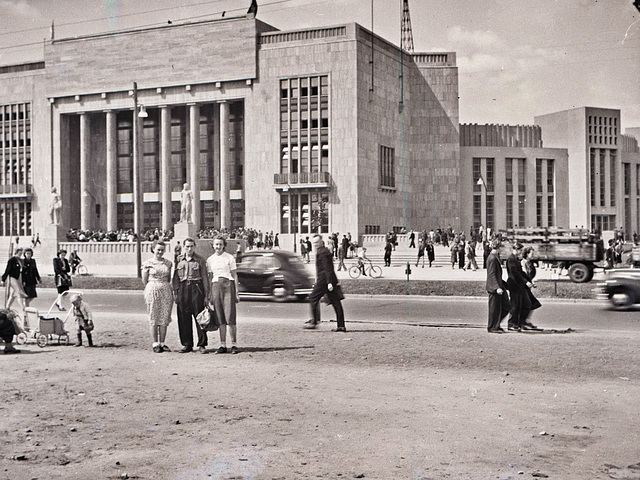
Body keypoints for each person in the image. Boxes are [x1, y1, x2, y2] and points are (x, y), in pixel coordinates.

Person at [172, 237, 210, 353]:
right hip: (183, 289)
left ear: (194, 247)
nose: (189, 249)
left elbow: (204, 278)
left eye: (191, 246)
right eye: (187, 246)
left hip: (196, 288)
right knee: (183, 317)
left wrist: (206, 295)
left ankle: (202, 344)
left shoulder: (200, 260)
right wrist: (176, 292)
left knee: (199, 316)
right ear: (184, 247)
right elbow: (175, 278)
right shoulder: (179, 259)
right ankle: (187, 344)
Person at [303, 235, 346, 332]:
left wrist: (329, 282)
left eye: (316, 243)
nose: (314, 245)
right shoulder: (323, 251)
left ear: (321, 242)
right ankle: (341, 325)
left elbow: (327, 268)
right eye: (314, 243)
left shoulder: (322, 252)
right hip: (327, 280)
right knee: (336, 302)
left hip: (324, 281)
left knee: (313, 297)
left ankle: (314, 322)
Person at [207, 236, 240, 354]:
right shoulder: (210, 259)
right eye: (216, 244)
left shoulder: (229, 257)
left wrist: (236, 292)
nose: (218, 247)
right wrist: (210, 293)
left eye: (220, 244)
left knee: (230, 316)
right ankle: (222, 344)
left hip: (228, 285)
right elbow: (210, 277)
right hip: (216, 286)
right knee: (220, 316)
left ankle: (234, 344)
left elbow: (234, 275)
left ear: (224, 245)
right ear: (213, 245)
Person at [143, 240, 174, 353]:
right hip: (152, 289)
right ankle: (155, 343)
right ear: (153, 250)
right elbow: (144, 279)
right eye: (158, 250)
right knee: (154, 315)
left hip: (166, 289)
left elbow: (169, 277)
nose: (160, 252)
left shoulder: (168, 263)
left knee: (164, 316)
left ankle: (162, 342)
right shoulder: (148, 263)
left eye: (162, 250)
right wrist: (151, 287)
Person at [506, 242, 533, 332]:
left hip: (519, 285)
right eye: (520, 250)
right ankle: (511, 324)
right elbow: (515, 273)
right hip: (514, 285)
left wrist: (529, 280)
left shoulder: (516, 259)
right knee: (514, 305)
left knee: (523, 304)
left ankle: (518, 323)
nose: (521, 252)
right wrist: (525, 282)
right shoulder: (511, 259)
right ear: (516, 250)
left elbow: (521, 272)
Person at [486, 239, 510, 333]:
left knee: (506, 306)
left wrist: (504, 285)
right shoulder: (492, 258)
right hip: (494, 288)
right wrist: (497, 287)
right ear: (499, 248)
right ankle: (492, 327)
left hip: (499, 286)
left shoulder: (495, 257)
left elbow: (497, 275)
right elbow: (491, 274)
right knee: (494, 308)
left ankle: (496, 324)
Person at [2, 248, 27, 316]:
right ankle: (23, 309)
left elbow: (22, 270)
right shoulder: (12, 260)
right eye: (19, 252)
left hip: (19, 277)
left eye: (21, 253)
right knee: (18, 293)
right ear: (16, 252)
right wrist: (3, 279)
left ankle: (7, 307)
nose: (20, 254)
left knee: (13, 294)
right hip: (13, 278)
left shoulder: (21, 260)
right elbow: (8, 269)